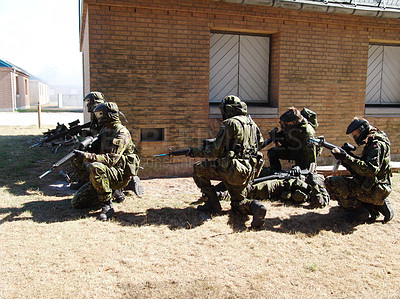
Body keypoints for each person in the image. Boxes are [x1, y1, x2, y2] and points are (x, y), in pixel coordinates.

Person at [188, 95, 266, 228]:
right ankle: (255, 207)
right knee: (237, 203)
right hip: (248, 170)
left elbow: (216, 151)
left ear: (228, 109)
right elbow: (260, 142)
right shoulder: (251, 123)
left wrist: (195, 152)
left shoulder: (230, 123)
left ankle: (213, 205)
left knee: (199, 169)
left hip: (231, 169)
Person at [71, 102, 140, 221]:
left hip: (119, 174)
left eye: (101, 114)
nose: (99, 118)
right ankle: (112, 191)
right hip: (106, 172)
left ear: (110, 115)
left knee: (95, 167)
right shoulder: (105, 131)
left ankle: (107, 205)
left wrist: (88, 156)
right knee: (77, 203)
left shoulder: (121, 133)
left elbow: (111, 159)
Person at [325, 117, 394, 223]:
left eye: (355, 134)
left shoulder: (376, 144)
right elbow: (361, 167)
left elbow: (370, 170)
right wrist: (346, 157)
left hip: (373, 187)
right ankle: (374, 205)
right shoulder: (374, 139)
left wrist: (347, 158)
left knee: (331, 183)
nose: (354, 137)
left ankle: (360, 212)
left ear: (362, 130)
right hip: (372, 184)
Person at [70, 91, 106, 190]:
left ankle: (83, 180)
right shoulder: (97, 111)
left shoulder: (101, 111)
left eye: (88, 102)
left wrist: (86, 134)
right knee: (76, 152)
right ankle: (83, 179)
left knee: (77, 155)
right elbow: (94, 127)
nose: (87, 105)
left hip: (103, 143)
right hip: (98, 141)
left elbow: (101, 131)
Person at [266, 107, 318, 173]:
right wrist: (276, 136)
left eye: (285, 123)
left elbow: (311, 154)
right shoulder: (290, 127)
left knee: (298, 171)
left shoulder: (307, 132)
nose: (283, 125)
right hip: (293, 149)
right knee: (272, 152)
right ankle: (275, 171)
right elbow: (286, 138)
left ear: (294, 122)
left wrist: (311, 172)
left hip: (303, 154)